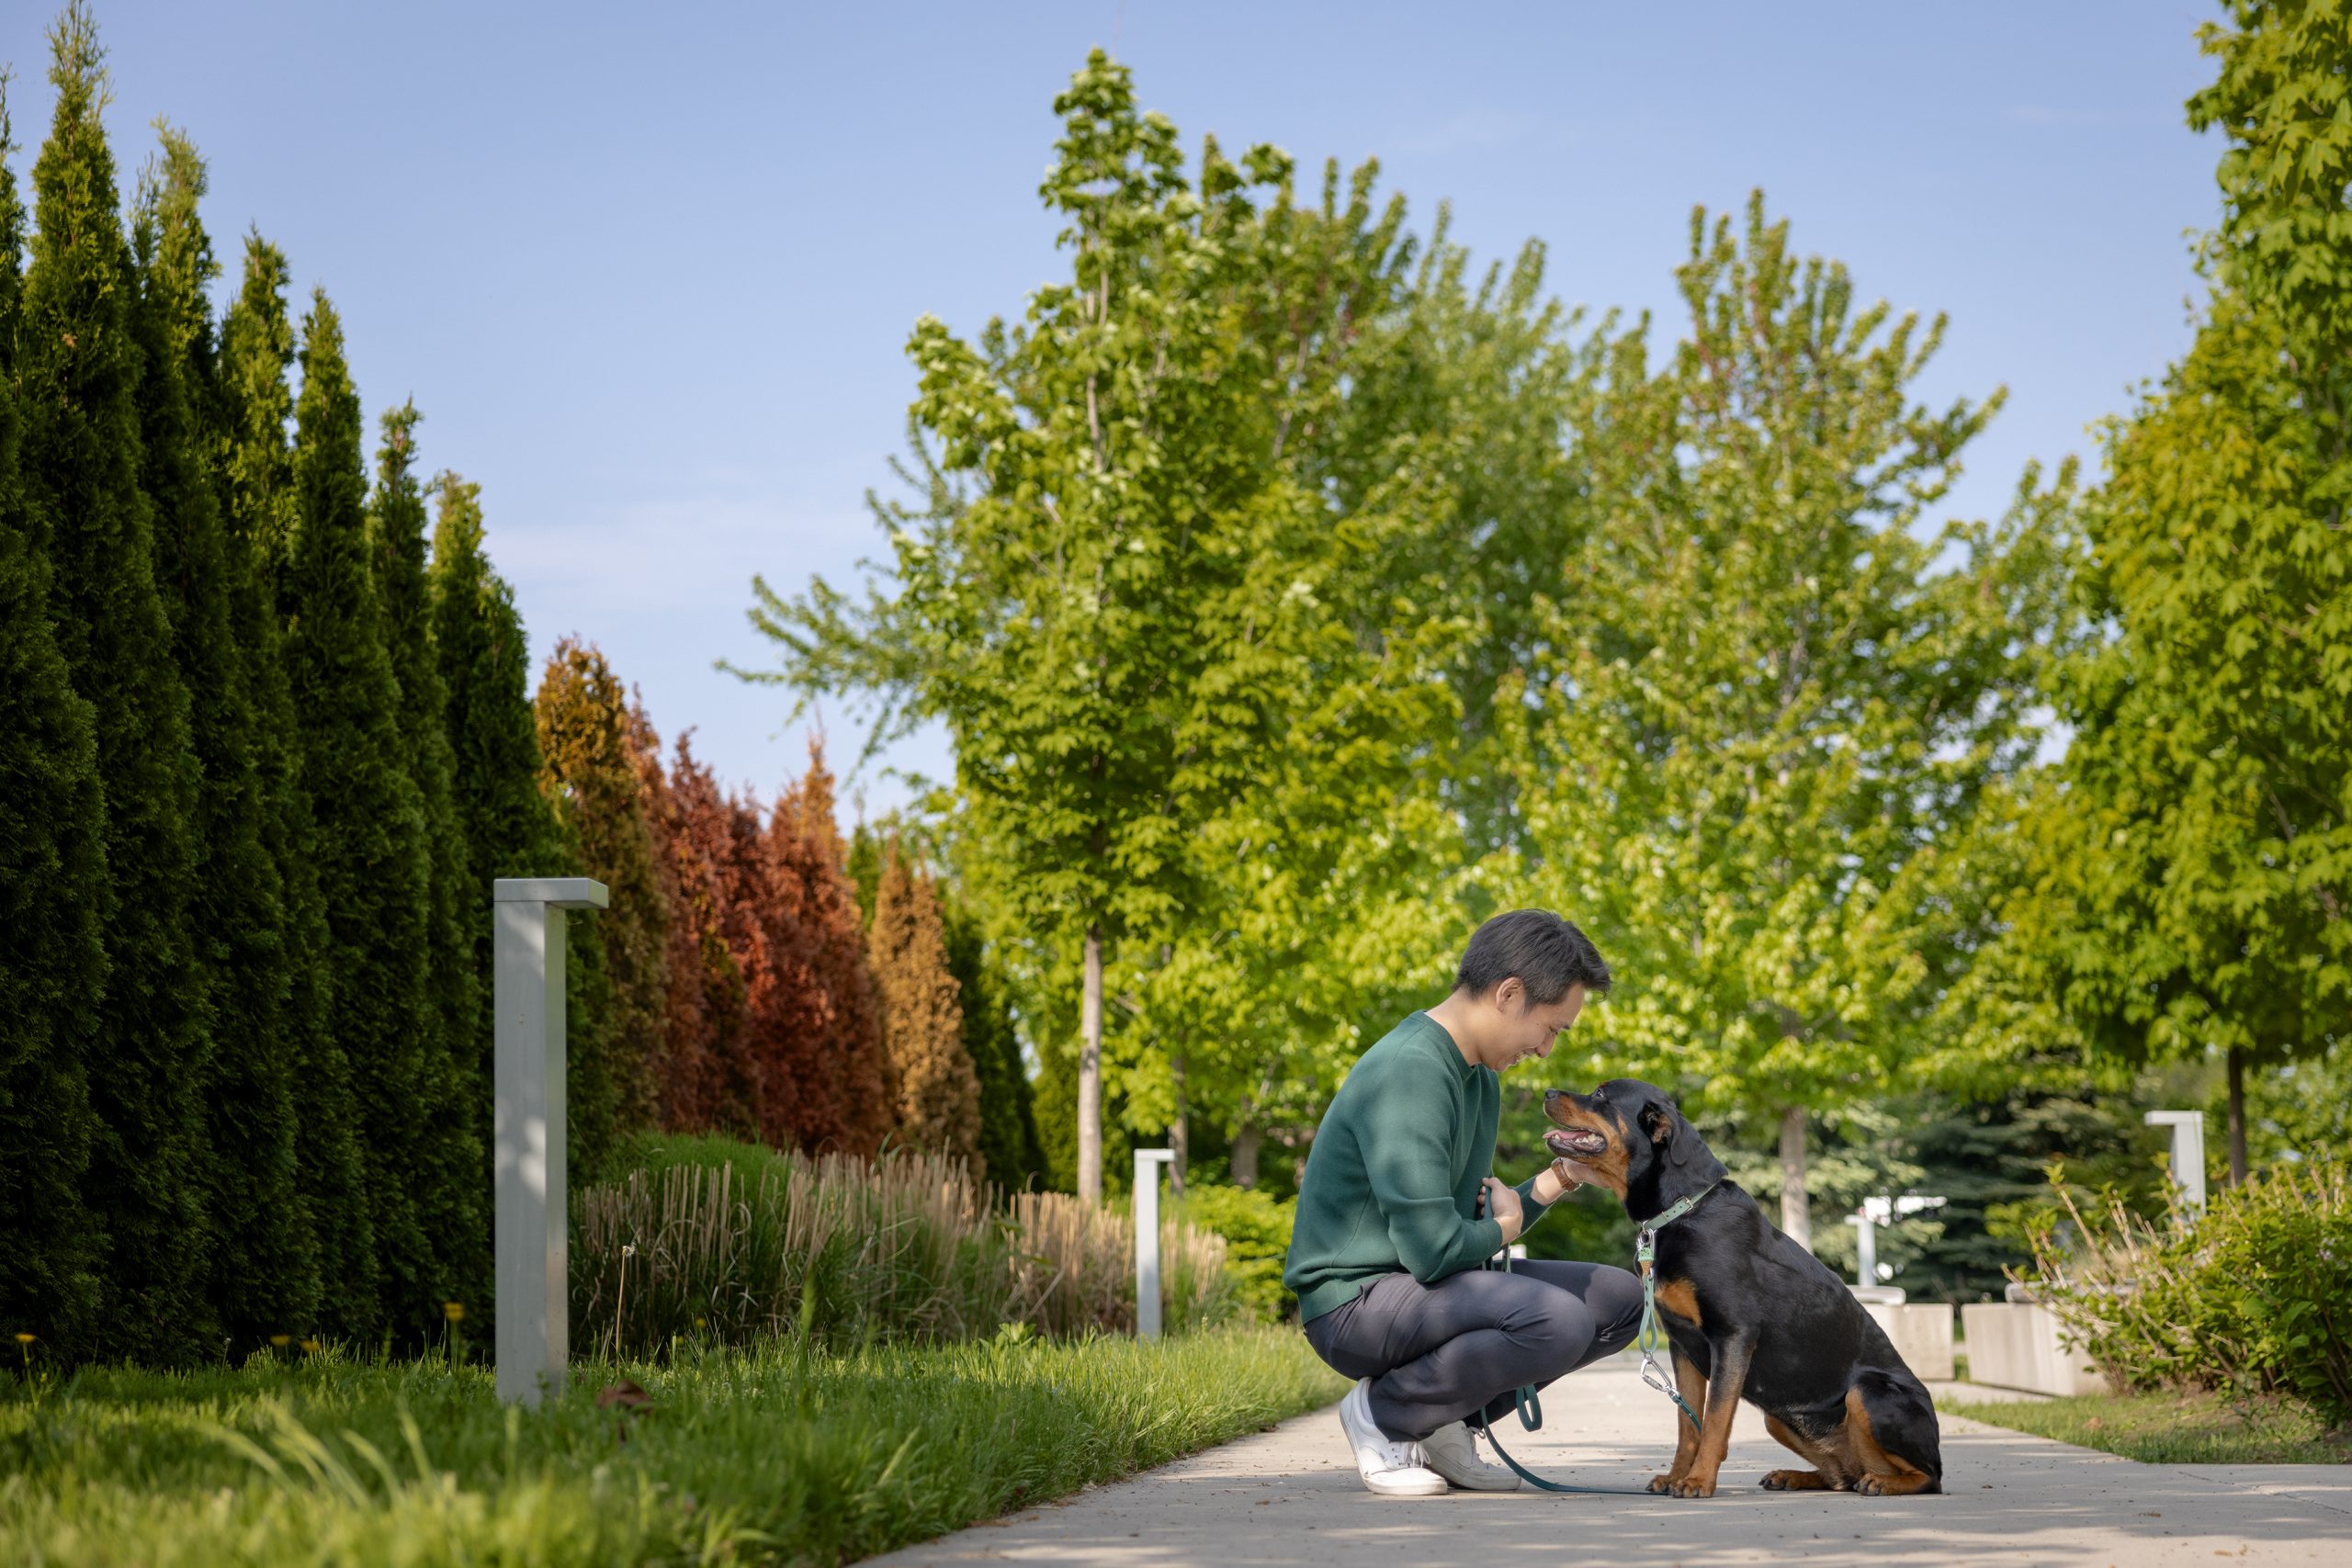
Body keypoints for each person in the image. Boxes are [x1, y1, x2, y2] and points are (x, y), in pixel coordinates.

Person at [1282, 909, 1643, 1495]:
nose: (1547, 1050)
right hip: (1354, 1304)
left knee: (1619, 1300)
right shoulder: (1413, 1071)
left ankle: (1438, 1422)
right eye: (1551, 1028)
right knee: (1556, 1319)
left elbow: (1476, 1218)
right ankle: (1386, 1415)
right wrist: (1503, 1230)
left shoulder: (1477, 1077)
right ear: (1509, 994)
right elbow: (1435, 1250)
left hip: (1423, 1293)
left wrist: (1562, 1178)